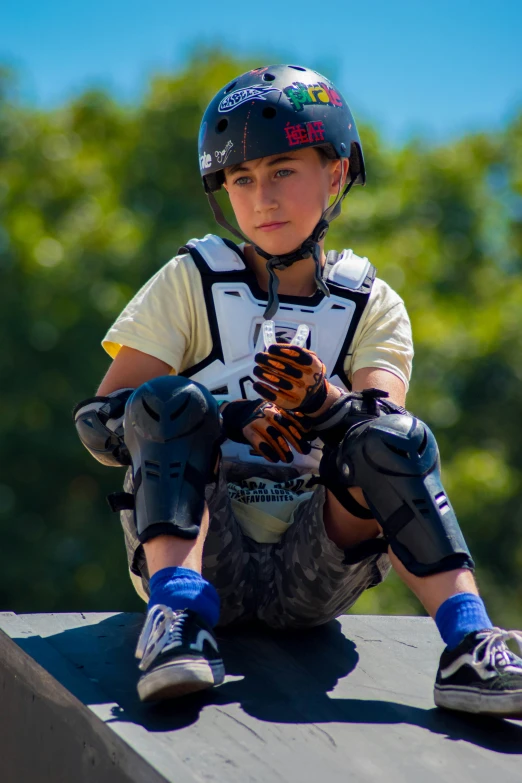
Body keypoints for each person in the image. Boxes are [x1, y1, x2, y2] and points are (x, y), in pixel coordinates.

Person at [74, 64, 522, 716]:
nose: (263, 199)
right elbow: (97, 424)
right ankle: (175, 622)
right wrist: (228, 416)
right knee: (170, 399)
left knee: (394, 436)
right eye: (242, 179)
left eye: (283, 170)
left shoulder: (373, 303)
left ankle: (469, 639)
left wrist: (323, 404)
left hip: (317, 564)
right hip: (206, 548)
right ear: (223, 191)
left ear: (335, 174)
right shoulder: (188, 280)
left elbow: (387, 432)